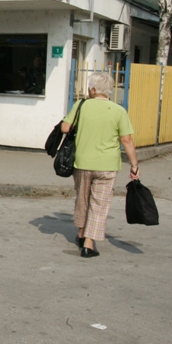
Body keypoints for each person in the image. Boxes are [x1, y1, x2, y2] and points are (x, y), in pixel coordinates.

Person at [61, 73, 139, 258]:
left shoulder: (81, 106)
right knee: (99, 204)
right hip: (107, 164)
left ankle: (81, 233)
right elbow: (127, 140)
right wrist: (134, 165)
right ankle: (89, 243)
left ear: (93, 90)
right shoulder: (119, 111)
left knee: (82, 199)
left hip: (82, 162)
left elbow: (65, 128)